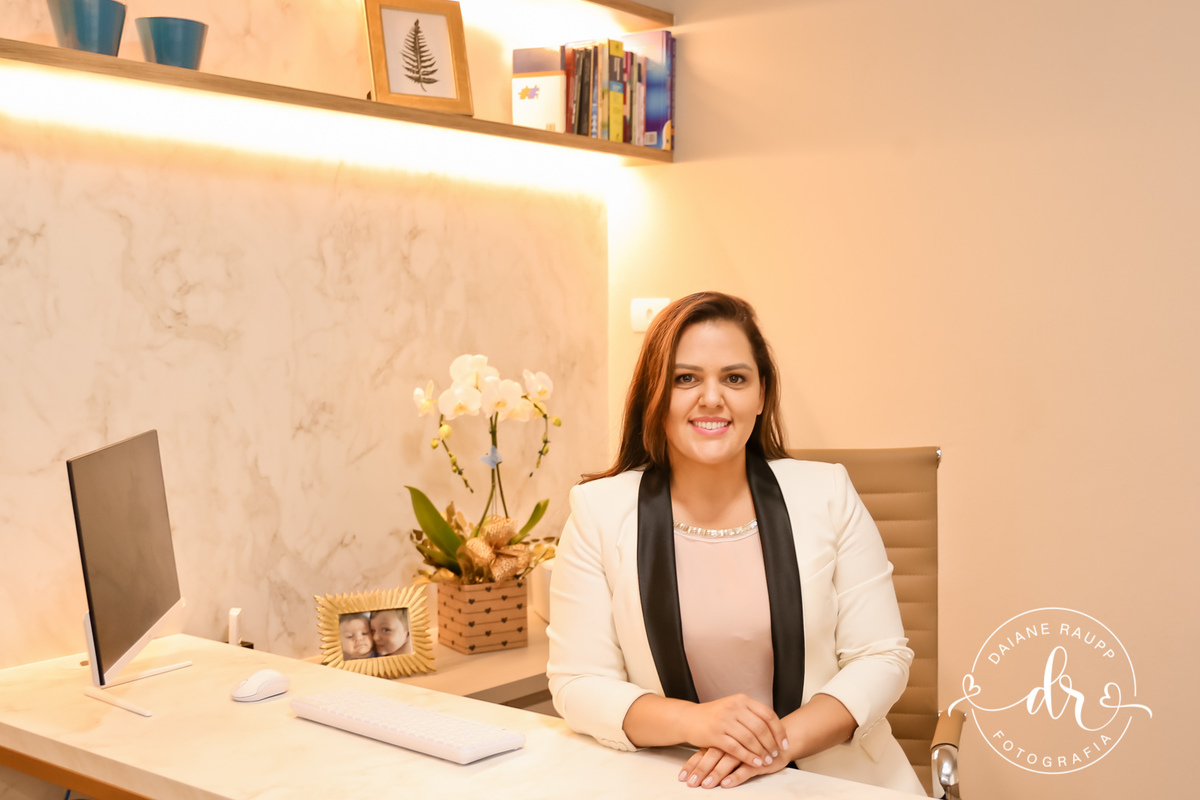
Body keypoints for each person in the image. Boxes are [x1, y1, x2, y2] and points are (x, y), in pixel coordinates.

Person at [546, 292, 924, 794]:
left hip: (836, 780)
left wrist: (776, 744)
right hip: (683, 781)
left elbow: (881, 656)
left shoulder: (828, 492)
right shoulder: (598, 511)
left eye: (735, 378)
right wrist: (697, 723)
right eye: (686, 378)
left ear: (761, 395)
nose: (711, 398)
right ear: (654, 395)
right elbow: (577, 683)